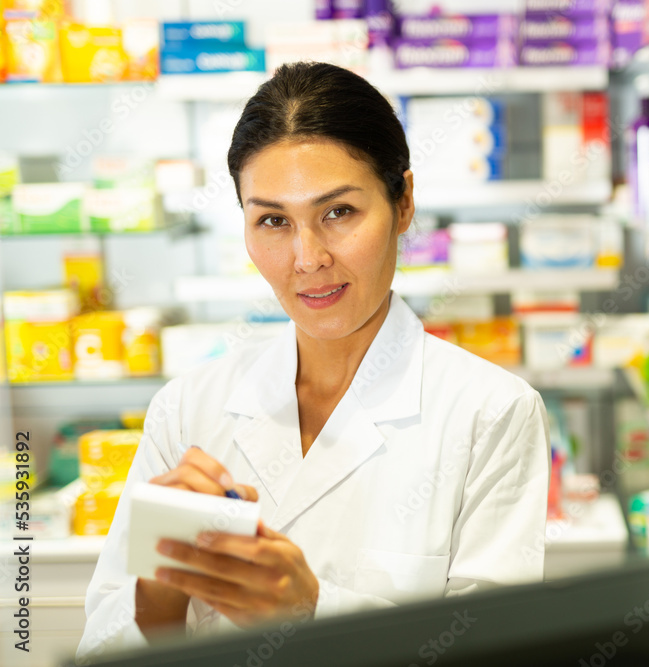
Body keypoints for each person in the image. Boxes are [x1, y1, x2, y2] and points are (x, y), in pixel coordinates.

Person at [77, 62, 550, 663]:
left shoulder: (491, 413)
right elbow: (101, 648)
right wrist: (160, 598)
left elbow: (496, 653)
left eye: (339, 213)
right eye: (273, 220)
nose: (308, 258)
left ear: (403, 203)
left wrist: (311, 609)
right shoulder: (189, 408)